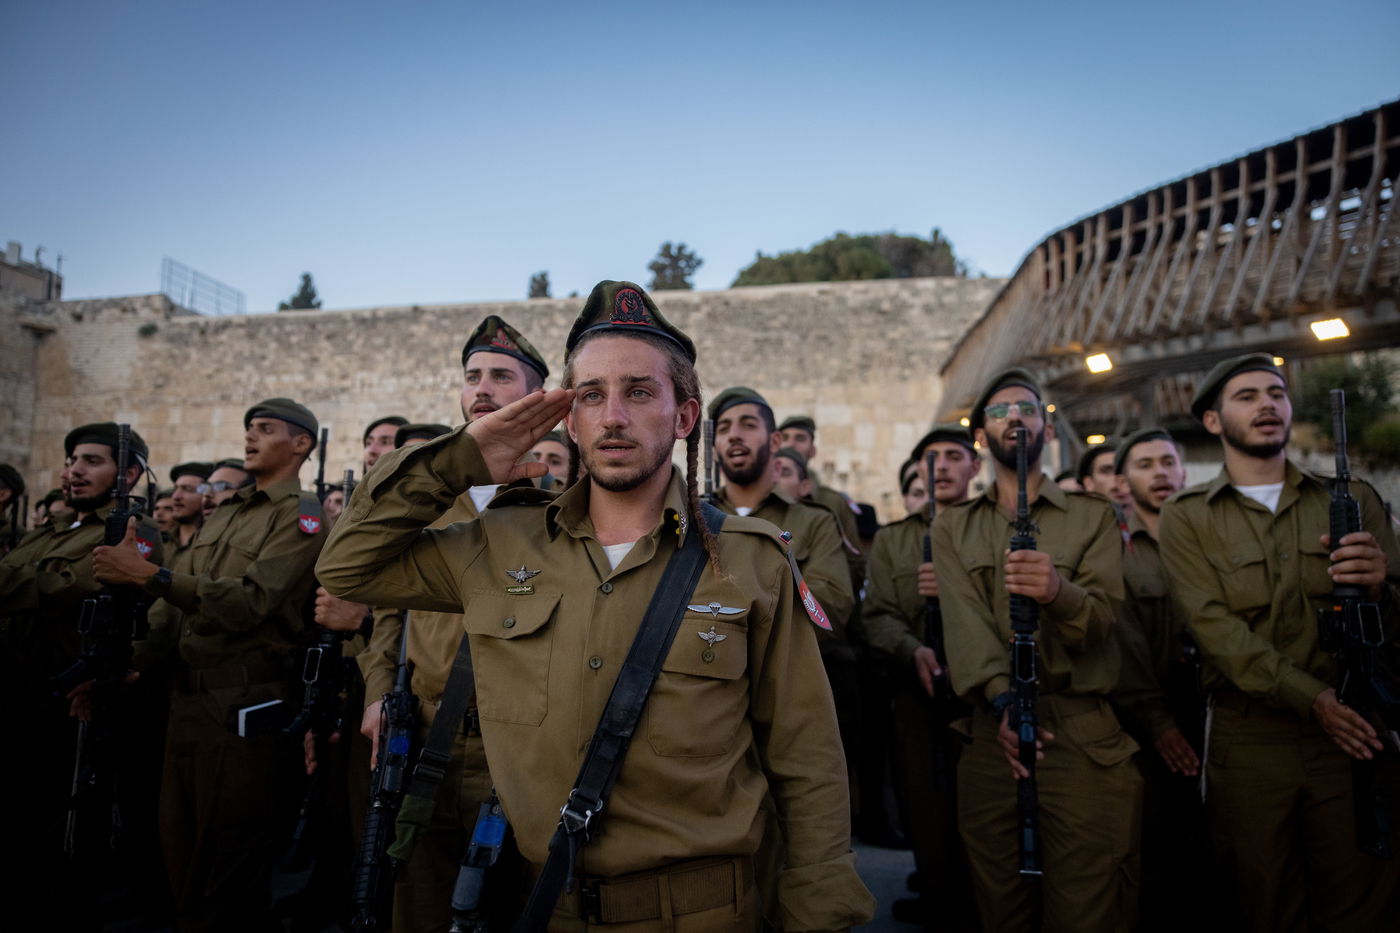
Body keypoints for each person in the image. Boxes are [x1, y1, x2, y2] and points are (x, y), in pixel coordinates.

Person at [318, 279, 874, 931]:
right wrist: (460, 460)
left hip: (705, 910)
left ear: (685, 416)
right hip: (546, 902)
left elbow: (805, 754)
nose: (613, 416)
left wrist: (817, 907)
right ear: (569, 417)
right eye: (591, 395)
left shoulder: (750, 560)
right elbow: (348, 564)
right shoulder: (500, 541)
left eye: (639, 391)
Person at [323, 314, 553, 933]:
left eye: (502, 376)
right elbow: (387, 616)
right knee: (416, 900)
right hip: (425, 736)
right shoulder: (425, 494)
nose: (482, 387)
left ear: (536, 396)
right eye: (472, 376)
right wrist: (377, 698)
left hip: (520, 743)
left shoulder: (558, 496)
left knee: (514, 906)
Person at [1158, 352, 1400, 931]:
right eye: (1247, 396)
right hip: (1252, 740)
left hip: (1354, 732)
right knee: (1261, 900)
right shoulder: (1188, 517)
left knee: (1362, 899)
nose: (1267, 404)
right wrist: (1312, 699)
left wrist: (1380, 588)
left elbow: (1395, 619)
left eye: (1277, 393)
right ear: (1213, 422)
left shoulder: (1354, 498)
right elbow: (1216, 631)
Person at [94, 398, 327, 932]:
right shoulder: (229, 513)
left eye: (265, 429)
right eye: (249, 428)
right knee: (179, 861)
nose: (250, 436)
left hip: (242, 709)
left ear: (300, 445)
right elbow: (168, 618)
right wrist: (124, 671)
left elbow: (250, 602)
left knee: (224, 872)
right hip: (186, 708)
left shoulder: (301, 514)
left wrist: (146, 576)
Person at [934, 368, 1138, 932]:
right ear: (980, 437)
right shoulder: (952, 528)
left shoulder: (1094, 516)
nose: (1014, 419)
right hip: (992, 735)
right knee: (1002, 909)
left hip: (1078, 735)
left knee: (1089, 907)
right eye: (998, 413)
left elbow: (1102, 621)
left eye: (1027, 409)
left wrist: (1057, 592)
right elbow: (966, 627)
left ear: (1047, 429)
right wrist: (1003, 703)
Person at [0, 423, 164, 930]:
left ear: (129, 473)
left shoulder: (132, 535)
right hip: (16, 692)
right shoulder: (51, 531)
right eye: (73, 459)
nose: (75, 469)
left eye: (92, 460)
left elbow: (65, 590)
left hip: (69, 701)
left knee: (55, 834)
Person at [863, 424, 982, 929]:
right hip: (921, 693)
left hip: (984, 697)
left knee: (984, 809)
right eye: (931, 458)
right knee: (926, 806)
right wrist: (913, 651)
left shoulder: (993, 528)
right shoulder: (894, 541)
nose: (943, 467)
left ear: (974, 466)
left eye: (954, 456)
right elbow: (879, 615)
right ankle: (938, 895)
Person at [1107, 426, 1221, 932]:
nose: (1160, 474)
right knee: (1162, 850)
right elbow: (1123, 646)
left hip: (1221, 708)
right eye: (1145, 464)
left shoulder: (1214, 538)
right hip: (1151, 717)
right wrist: (1157, 723)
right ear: (1124, 479)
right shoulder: (1116, 552)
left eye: (1168, 463)